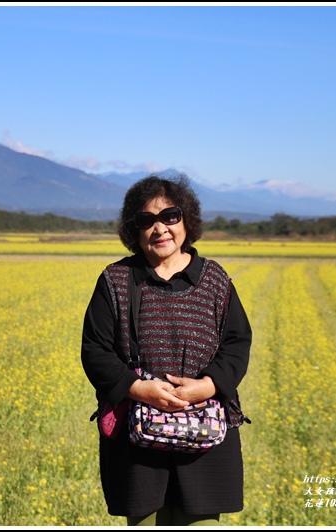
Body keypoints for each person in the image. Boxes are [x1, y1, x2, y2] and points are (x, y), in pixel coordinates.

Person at [81, 174, 252, 526]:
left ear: (186, 219)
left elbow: (237, 343)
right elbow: (95, 350)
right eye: (146, 220)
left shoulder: (216, 279)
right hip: (137, 438)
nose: (159, 228)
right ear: (134, 231)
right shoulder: (115, 280)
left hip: (207, 433)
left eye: (170, 216)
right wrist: (138, 388)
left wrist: (207, 385)